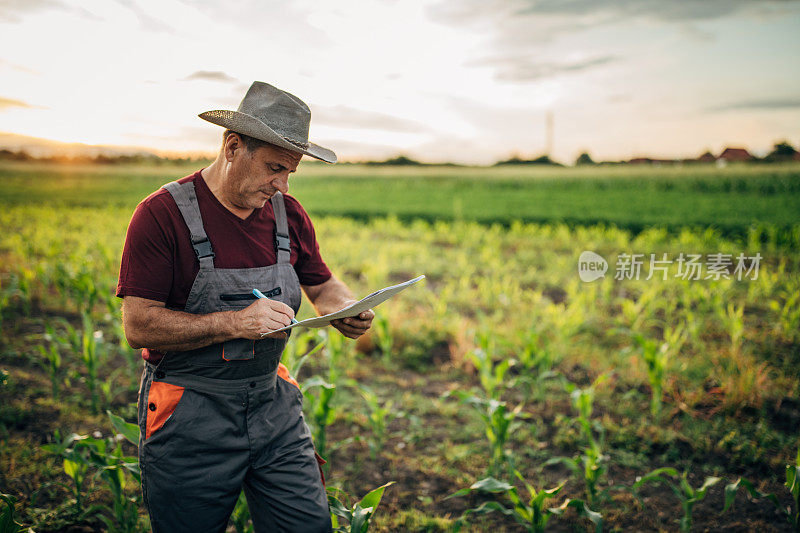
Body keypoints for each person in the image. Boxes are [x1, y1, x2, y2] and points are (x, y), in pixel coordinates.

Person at [116, 81, 374, 532]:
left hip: (272, 404)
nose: (282, 185)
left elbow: (323, 284)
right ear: (233, 146)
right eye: (275, 167)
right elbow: (139, 325)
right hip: (189, 411)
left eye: (291, 172)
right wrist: (235, 322)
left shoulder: (287, 214)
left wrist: (348, 306)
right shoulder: (161, 215)